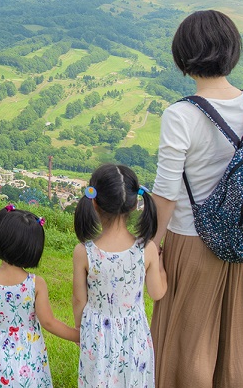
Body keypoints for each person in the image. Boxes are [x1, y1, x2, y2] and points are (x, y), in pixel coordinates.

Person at [150, 9, 243, 388]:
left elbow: (166, 192)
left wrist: (152, 243)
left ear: (184, 57)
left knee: (189, 342)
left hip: (193, 240)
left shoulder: (181, 114)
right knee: (238, 341)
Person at [72, 163, 166, 388]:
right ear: (135, 204)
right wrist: (161, 263)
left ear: (93, 202)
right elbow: (157, 292)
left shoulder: (84, 252)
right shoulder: (147, 249)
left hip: (96, 336)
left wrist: (80, 330)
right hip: (135, 337)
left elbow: (79, 300)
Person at [0, 204, 79, 388]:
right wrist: (78, 336)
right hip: (30, 357)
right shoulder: (36, 284)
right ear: (33, 248)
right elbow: (49, 322)